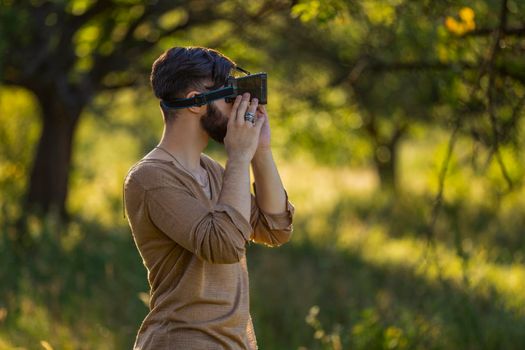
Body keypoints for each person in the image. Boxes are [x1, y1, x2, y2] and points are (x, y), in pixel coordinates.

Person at [123, 46, 294, 350]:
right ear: (195, 103)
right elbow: (224, 245)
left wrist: (260, 151)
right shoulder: (150, 178)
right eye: (230, 97)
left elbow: (275, 228)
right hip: (183, 341)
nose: (239, 108)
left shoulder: (213, 171)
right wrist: (239, 157)